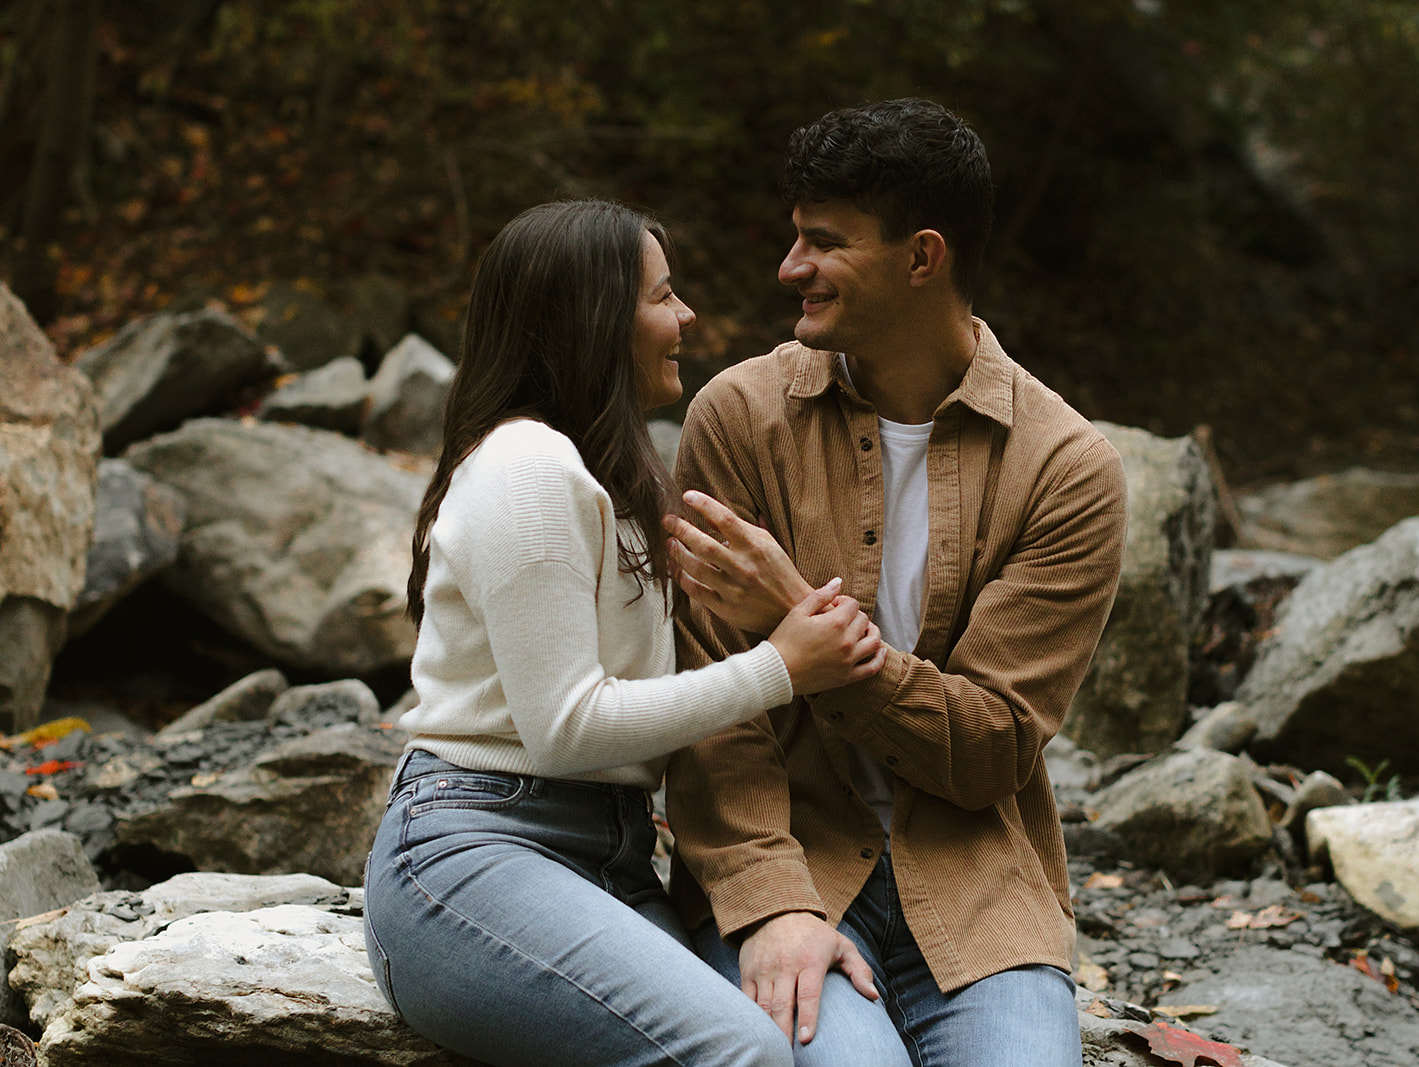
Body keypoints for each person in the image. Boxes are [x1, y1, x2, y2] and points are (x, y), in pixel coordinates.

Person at [362, 198, 887, 1067]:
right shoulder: (527, 466)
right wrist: (781, 666)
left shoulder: (608, 480)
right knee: (740, 1052)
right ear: (593, 317)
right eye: (662, 296)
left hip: (611, 855)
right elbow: (567, 727)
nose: (685, 317)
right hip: (472, 855)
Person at [662, 99, 1128, 1067]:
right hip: (784, 866)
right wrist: (769, 903)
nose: (791, 269)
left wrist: (805, 629)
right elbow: (707, 716)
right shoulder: (739, 417)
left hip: (979, 892)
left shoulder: (1066, 465)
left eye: (823, 243)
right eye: (795, 238)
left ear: (923, 258)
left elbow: (991, 747)